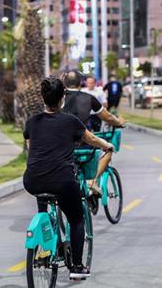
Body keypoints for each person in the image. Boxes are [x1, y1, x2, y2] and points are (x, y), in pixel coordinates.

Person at [23, 77, 114, 280]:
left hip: (32, 180)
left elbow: (33, 150)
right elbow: (91, 139)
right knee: (76, 219)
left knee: (44, 196)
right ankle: (77, 266)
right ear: (62, 98)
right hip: (62, 181)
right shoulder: (70, 121)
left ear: (43, 97)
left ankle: (48, 239)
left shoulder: (32, 122)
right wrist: (107, 146)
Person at [62, 70, 125, 205]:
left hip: (63, 145)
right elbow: (107, 117)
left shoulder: (58, 99)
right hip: (84, 143)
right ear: (81, 83)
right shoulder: (88, 98)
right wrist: (118, 123)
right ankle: (93, 181)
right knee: (109, 149)